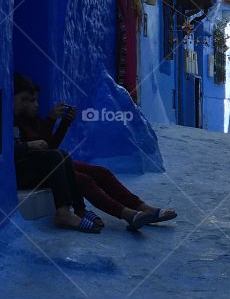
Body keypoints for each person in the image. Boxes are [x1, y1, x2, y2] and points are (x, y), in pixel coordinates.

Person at [13, 75, 177, 232]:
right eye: (27, 100)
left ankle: (142, 207)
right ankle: (126, 214)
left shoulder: (30, 119)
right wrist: (29, 144)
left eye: (34, 100)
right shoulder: (11, 120)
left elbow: (49, 146)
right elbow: (37, 152)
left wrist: (61, 122)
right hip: (29, 170)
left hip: (46, 164)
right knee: (83, 179)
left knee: (101, 172)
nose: (34, 105)